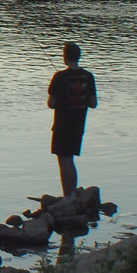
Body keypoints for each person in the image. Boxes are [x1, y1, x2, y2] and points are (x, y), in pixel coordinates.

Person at [47, 41, 97, 196]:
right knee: (70, 160)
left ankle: (68, 197)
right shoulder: (88, 77)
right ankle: (72, 195)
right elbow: (93, 103)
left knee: (64, 160)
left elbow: (51, 103)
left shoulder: (59, 76)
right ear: (79, 56)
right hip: (78, 125)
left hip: (62, 125)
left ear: (65, 57)